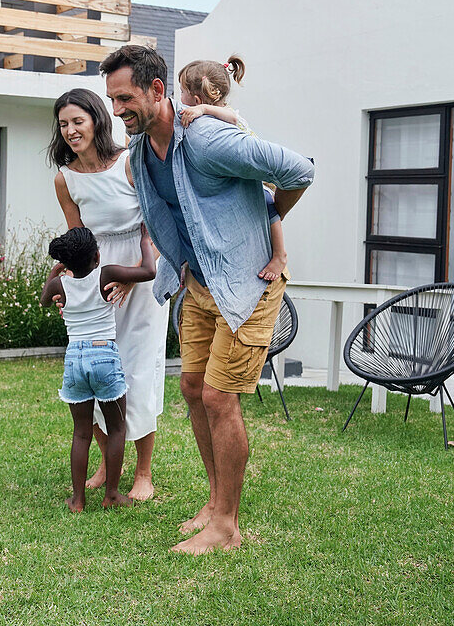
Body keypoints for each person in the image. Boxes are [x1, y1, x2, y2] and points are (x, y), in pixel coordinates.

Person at [100, 45, 314, 555]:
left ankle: (227, 526)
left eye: (125, 98)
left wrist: (267, 220)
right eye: (112, 100)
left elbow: (299, 170)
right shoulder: (138, 152)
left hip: (246, 285)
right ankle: (216, 502)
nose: (117, 110)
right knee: (194, 389)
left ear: (157, 90)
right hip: (196, 284)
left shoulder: (208, 140)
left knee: (220, 398)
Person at [48, 88, 169, 501]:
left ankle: (144, 473)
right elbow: (76, 236)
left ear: (97, 120)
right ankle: (105, 464)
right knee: (97, 368)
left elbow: (153, 222)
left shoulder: (130, 162)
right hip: (96, 282)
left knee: (137, 370)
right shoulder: (65, 179)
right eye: (63, 124)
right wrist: (62, 283)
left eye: (77, 121)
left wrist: (135, 276)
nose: (70, 131)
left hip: (138, 271)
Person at [41, 225, 157, 512]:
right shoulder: (105, 274)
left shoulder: (61, 286)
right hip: (104, 355)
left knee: (81, 432)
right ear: (97, 255)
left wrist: (56, 273)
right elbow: (148, 272)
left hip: (74, 360)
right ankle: (112, 494)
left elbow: (44, 299)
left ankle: (78, 500)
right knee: (117, 428)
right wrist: (145, 239)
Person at [177, 56, 287, 282]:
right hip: (234, 175)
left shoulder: (224, 113)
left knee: (267, 205)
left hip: (255, 175)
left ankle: (280, 255)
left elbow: (232, 117)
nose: (179, 98)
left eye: (181, 92)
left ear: (197, 99)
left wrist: (203, 110)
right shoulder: (201, 118)